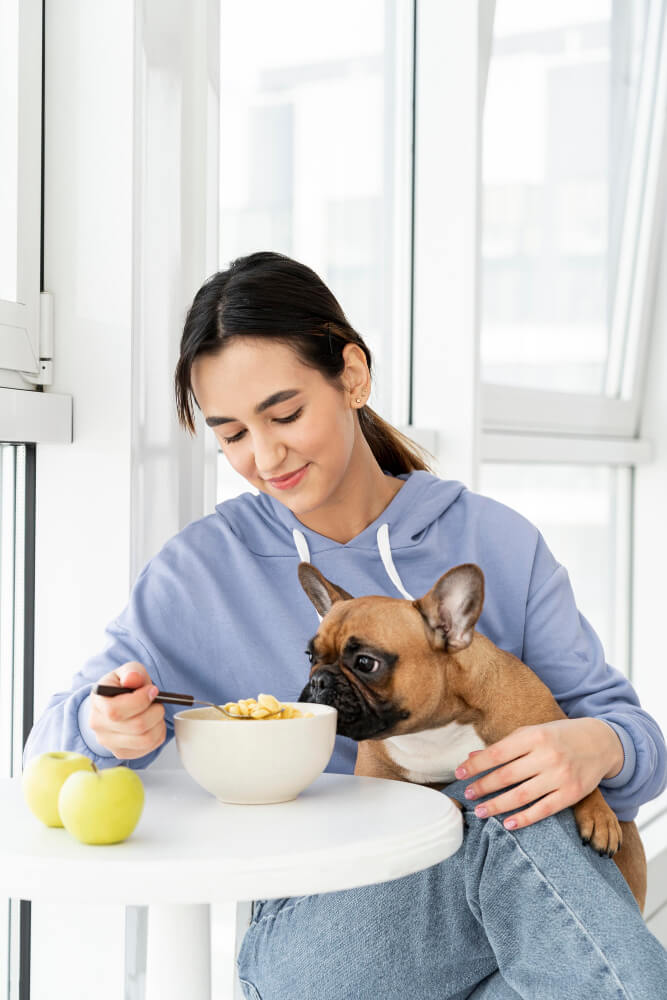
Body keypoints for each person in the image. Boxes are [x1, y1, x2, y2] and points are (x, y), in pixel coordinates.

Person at [24, 250, 667, 998]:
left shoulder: (496, 541)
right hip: (324, 922)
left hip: (515, 922)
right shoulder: (200, 569)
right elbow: (47, 755)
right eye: (231, 435)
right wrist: (110, 730)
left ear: (353, 376)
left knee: (524, 867)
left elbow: (635, 747)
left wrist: (598, 745)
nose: (264, 456)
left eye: (285, 414)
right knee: (514, 825)